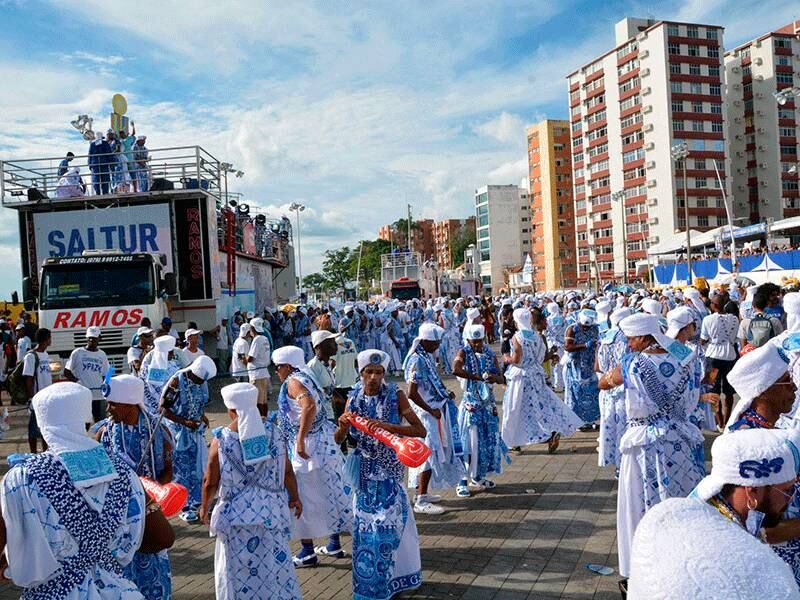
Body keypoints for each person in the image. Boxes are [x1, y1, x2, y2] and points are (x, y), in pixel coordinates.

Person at [0, 382, 174, 597]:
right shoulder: (122, 472)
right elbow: (163, 538)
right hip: (117, 591)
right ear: (87, 421)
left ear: (43, 424)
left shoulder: (22, 478)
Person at [627, 428, 800, 599]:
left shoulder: (706, 512)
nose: (791, 498)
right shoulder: (727, 552)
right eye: (788, 490)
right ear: (752, 491)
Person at [600, 313, 706, 588]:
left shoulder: (632, 363)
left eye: (631, 338)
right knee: (683, 502)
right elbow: (687, 367)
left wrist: (609, 381)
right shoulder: (685, 354)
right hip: (681, 442)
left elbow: (604, 382)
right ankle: (686, 562)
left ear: (643, 337)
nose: (628, 343)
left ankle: (649, 568)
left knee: (645, 504)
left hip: (646, 446)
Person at [334, 350, 425, 599]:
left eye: (378, 372)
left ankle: (397, 581)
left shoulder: (396, 396)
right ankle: (370, 587)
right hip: (363, 477)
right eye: (369, 372)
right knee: (365, 533)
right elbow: (340, 440)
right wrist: (342, 427)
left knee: (389, 530)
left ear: (384, 374)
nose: (373, 377)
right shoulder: (353, 399)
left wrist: (387, 427)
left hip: (389, 476)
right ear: (361, 373)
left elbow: (420, 430)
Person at [200, 383, 303, 600]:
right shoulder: (276, 433)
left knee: (239, 570)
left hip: (236, 518)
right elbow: (287, 472)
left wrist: (205, 507)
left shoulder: (222, 440)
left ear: (231, 410)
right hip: (271, 513)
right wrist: (295, 497)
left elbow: (210, 482)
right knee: (273, 566)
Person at [95, 375, 175, 600]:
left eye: (113, 403)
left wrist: (155, 493)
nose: (108, 409)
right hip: (115, 518)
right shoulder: (103, 433)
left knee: (152, 570)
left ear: (129, 403)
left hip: (149, 512)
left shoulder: (160, 432)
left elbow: (168, 470)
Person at [272, 346, 353, 568]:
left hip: (307, 449)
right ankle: (333, 543)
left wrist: (299, 439)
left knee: (301, 497)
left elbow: (308, 407)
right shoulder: (308, 375)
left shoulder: (293, 381)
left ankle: (307, 551)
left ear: (287, 366)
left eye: (277, 367)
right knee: (329, 492)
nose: (276, 372)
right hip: (323, 443)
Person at [502, 308, 582, 455]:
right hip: (536, 375)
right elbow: (541, 357)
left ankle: (513, 441)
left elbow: (517, 360)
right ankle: (549, 432)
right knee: (540, 406)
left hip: (520, 377)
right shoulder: (536, 337)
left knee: (514, 408)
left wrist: (507, 358)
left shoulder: (517, 337)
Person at [404, 323, 465, 515]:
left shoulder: (426, 357)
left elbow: (429, 385)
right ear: (426, 341)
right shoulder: (417, 360)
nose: (438, 344)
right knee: (427, 454)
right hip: (425, 414)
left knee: (429, 452)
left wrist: (444, 395)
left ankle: (422, 493)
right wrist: (431, 409)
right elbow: (412, 393)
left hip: (432, 410)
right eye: (436, 341)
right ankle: (421, 498)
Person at [453, 324, 507, 496]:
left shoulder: (490, 354)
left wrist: (493, 378)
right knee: (469, 443)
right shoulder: (463, 352)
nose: (477, 345)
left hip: (487, 405)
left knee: (484, 443)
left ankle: (478, 476)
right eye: (473, 341)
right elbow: (456, 369)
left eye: (479, 341)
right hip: (471, 405)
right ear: (468, 339)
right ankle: (461, 481)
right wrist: (475, 377)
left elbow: (501, 377)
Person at [161, 355, 216, 522]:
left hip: (193, 432)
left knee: (195, 469)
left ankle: (195, 502)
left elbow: (196, 401)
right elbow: (163, 409)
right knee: (181, 470)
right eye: (199, 380)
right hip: (178, 435)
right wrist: (184, 421)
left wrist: (202, 415)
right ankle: (182, 506)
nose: (201, 384)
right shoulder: (176, 383)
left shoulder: (198, 381)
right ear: (193, 374)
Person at [595, 306, 632, 469]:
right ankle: (624, 466)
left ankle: (616, 465)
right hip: (625, 389)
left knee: (610, 425)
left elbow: (597, 366)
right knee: (625, 428)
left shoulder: (604, 337)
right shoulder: (628, 339)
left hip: (607, 388)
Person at [701, 293, 740, 428]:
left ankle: (719, 422)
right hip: (730, 357)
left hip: (713, 358)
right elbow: (735, 339)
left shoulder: (708, 319)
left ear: (714, 305)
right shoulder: (735, 319)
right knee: (729, 391)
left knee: (713, 390)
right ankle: (727, 420)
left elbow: (703, 339)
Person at [64, 326, 111, 423]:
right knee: (84, 423)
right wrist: (77, 381)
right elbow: (66, 372)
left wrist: (107, 386)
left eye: (94, 338)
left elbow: (107, 374)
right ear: (86, 338)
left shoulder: (102, 354)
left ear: (99, 338)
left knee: (101, 423)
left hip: (98, 396)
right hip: (83, 395)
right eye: (89, 337)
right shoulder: (78, 352)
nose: (91, 340)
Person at [564, 309, 601, 430]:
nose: (585, 329)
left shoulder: (595, 328)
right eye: (584, 327)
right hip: (577, 365)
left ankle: (592, 419)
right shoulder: (572, 329)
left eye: (587, 327)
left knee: (592, 392)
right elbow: (568, 347)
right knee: (578, 392)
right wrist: (584, 345)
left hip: (590, 365)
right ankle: (579, 422)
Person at [22, 327, 52, 453]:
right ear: (47, 339)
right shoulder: (31, 356)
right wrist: (31, 398)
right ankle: (33, 453)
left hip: (47, 397)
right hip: (37, 397)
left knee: (45, 427)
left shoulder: (45, 354)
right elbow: (28, 378)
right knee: (33, 428)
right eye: (50, 337)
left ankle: (45, 452)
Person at [140, 334, 182, 415]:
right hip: (168, 414)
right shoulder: (174, 369)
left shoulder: (146, 368)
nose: (172, 355)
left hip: (150, 412)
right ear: (166, 353)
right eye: (171, 352)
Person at [332, 326, 359, 452]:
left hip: (338, 384)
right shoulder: (350, 342)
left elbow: (331, 363)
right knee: (352, 413)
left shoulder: (334, 344)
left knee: (340, 415)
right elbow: (355, 360)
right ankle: (353, 441)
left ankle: (342, 446)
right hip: (351, 381)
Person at [306, 329, 339, 423]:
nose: (336, 345)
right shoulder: (313, 367)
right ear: (320, 346)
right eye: (331, 342)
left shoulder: (327, 364)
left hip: (330, 412)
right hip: (321, 417)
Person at [739, 287, 783, 351]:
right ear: (766, 304)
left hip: (752, 355)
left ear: (753, 305)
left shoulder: (745, 322)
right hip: (769, 354)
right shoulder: (775, 321)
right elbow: (780, 341)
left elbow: (743, 347)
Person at [247, 318, 272, 413]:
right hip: (263, 373)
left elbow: (250, 358)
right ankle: (264, 419)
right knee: (263, 399)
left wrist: (244, 357)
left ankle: (260, 420)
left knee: (258, 401)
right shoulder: (264, 338)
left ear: (252, 328)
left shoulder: (257, 340)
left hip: (257, 375)